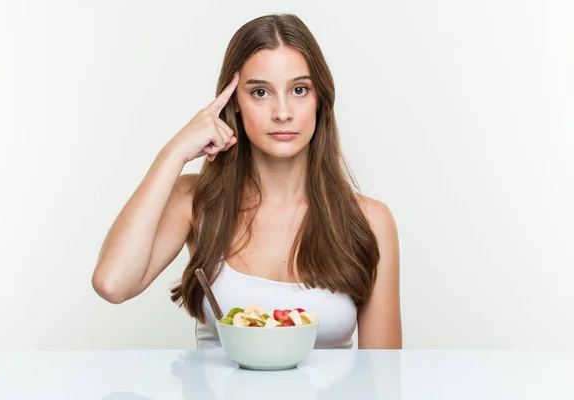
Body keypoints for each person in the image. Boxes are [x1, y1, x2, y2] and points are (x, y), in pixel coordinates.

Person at [92, 13, 402, 349]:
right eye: (260, 93)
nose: (282, 112)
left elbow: (382, 375)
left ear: (320, 100)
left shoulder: (370, 220)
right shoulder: (195, 202)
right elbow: (113, 283)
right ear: (234, 103)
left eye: (299, 89)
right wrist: (175, 151)